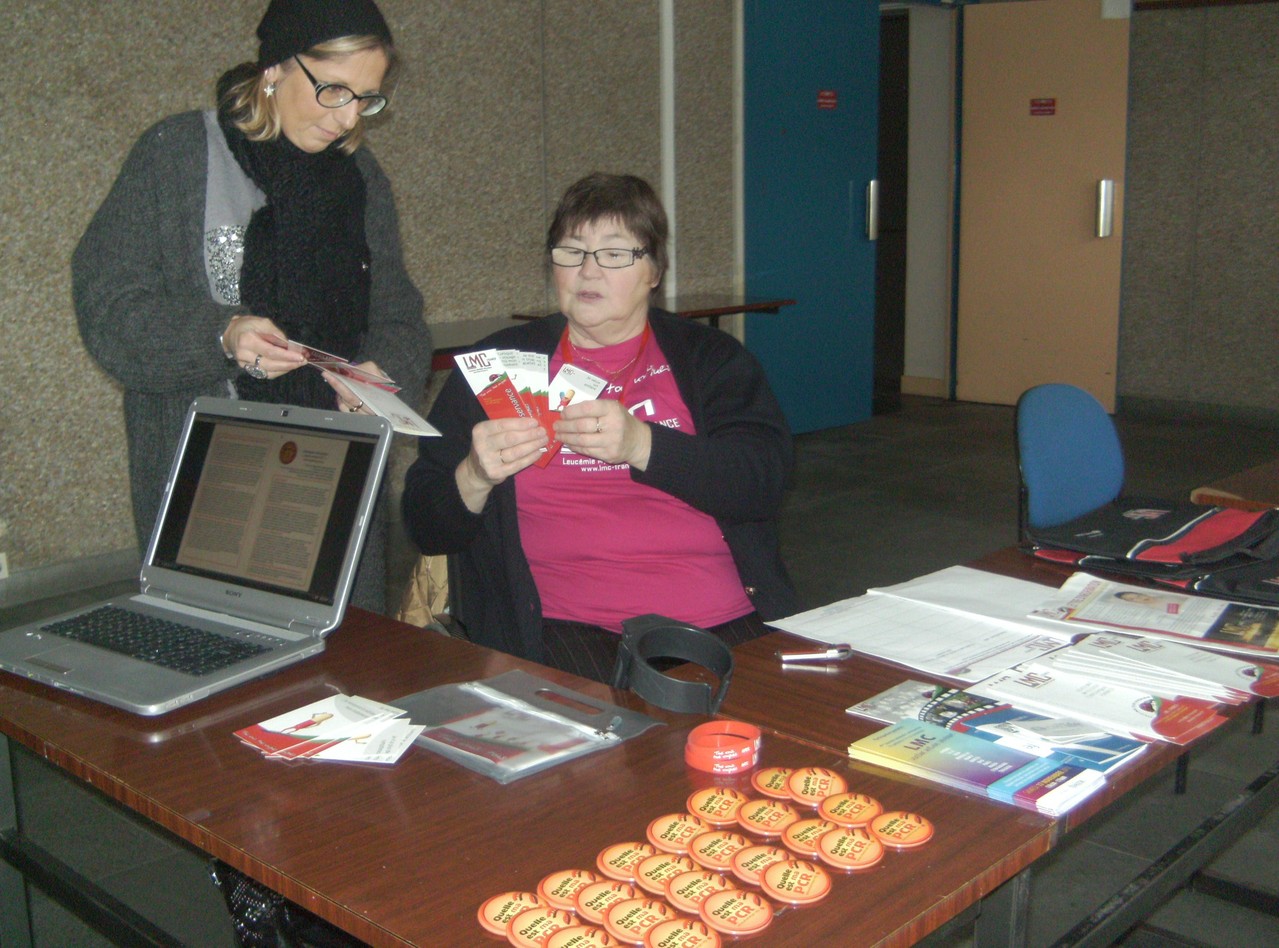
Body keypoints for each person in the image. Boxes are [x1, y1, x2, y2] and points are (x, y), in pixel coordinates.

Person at [73, 0, 430, 614]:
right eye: (333, 90)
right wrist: (220, 335)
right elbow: (110, 308)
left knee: (347, 655)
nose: (348, 118)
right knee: (218, 655)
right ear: (274, 68)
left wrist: (380, 377)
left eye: (366, 99)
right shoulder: (179, 155)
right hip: (210, 485)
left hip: (333, 472)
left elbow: (399, 317)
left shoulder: (359, 177)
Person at [402, 172, 798, 682]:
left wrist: (643, 444)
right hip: (565, 626)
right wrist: (474, 476)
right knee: (615, 727)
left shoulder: (711, 358)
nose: (588, 271)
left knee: (765, 723)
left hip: (718, 618)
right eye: (572, 251)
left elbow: (763, 483)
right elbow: (425, 525)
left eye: (614, 253)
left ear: (654, 270)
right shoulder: (495, 365)